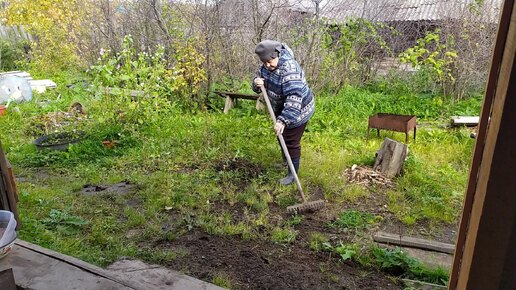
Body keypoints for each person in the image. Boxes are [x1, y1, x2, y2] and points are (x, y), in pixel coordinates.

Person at [252, 39, 315, 185]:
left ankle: (292, 175)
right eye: (264, 62)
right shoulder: (265, 66)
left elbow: (294, 96)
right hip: (281, 107)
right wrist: (256, 83)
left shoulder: (289, 68)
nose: (268, 65)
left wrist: (283, 120)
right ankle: (287, 162)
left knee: (291, 141)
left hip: (299, 109)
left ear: (277, 54)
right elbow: (258, 81)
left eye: (271, 61)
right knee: (281, 136)